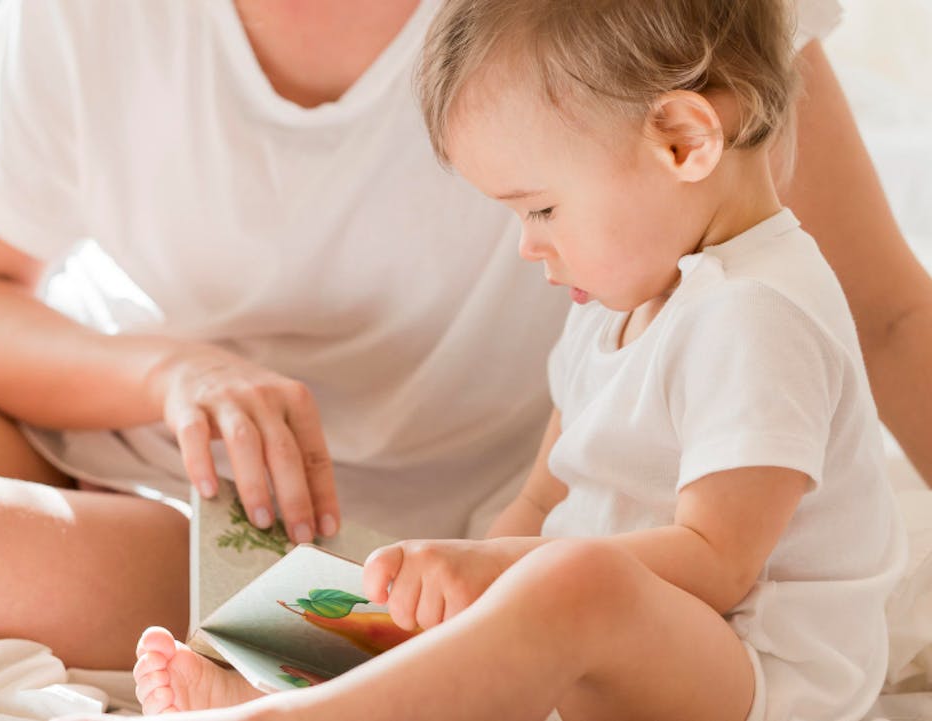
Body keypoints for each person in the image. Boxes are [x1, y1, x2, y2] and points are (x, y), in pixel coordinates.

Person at [0, 1, 925, 719]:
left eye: (532, 211)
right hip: (95, 414)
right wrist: (171, 375)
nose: (528, 244)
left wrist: (480, 562)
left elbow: (880, 324)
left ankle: (277, 687)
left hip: (329, 541)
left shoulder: (630, 44)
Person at [125, 1, 906, 720]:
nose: (529, 245)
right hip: (619, 642)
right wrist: (467, 583)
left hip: (758, 675)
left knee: (567, 580)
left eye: (541, 207)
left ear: (685, 141)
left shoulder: (758, 309)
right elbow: (538, 502)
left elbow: (716, 563)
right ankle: (274, 677)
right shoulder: (619, 301)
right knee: (393, 591)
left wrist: (501, 573)